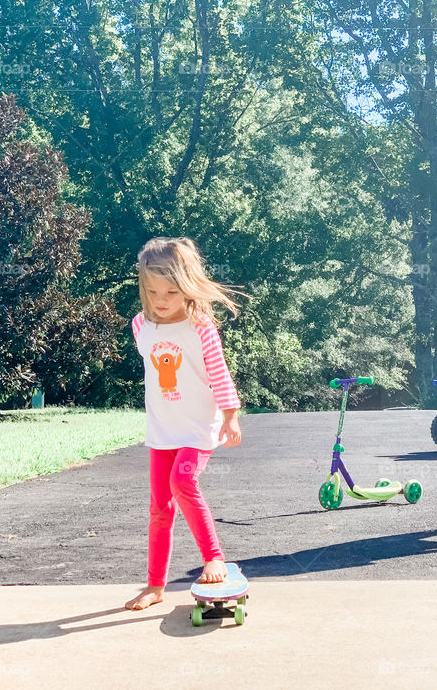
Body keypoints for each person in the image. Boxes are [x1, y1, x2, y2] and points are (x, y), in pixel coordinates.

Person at [125, 237, 245, 611]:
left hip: (197, 430)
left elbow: (218, 373)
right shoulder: (141, 326)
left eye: (171, 291)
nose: (160, 299)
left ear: (188, 285)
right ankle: (155, 585)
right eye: (152, 290)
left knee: (183, 481)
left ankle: (214, 557)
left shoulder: (201, 326)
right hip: (162, 433)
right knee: (159, 507)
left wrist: (230, 415)